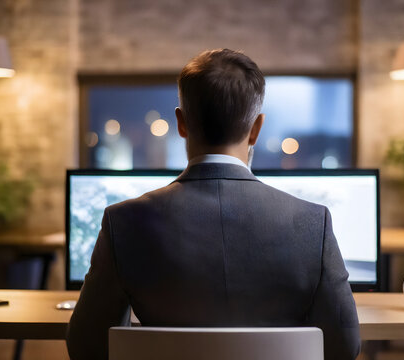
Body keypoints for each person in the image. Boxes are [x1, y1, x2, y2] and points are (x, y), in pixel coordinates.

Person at [66, 49, 360, 360]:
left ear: (181, 123)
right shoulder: (314, 223)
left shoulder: (123, 222)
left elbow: (86, 347)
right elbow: (344, 347)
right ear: (257, 129)